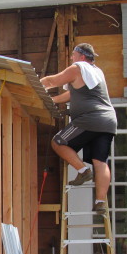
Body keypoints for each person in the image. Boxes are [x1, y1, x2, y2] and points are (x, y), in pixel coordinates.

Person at [39, 43, 117, 214]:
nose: (71, 58)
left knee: (58, 142)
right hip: (108, 121)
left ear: (82, 56)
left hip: (89, 119)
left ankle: (83, 171)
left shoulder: (78, 67)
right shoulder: (96, 72)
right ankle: (100, 202)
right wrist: (52, 101)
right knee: (100, 161)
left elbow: (52, 81)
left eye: (73, 55)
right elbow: (70, 95)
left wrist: (34, 86)